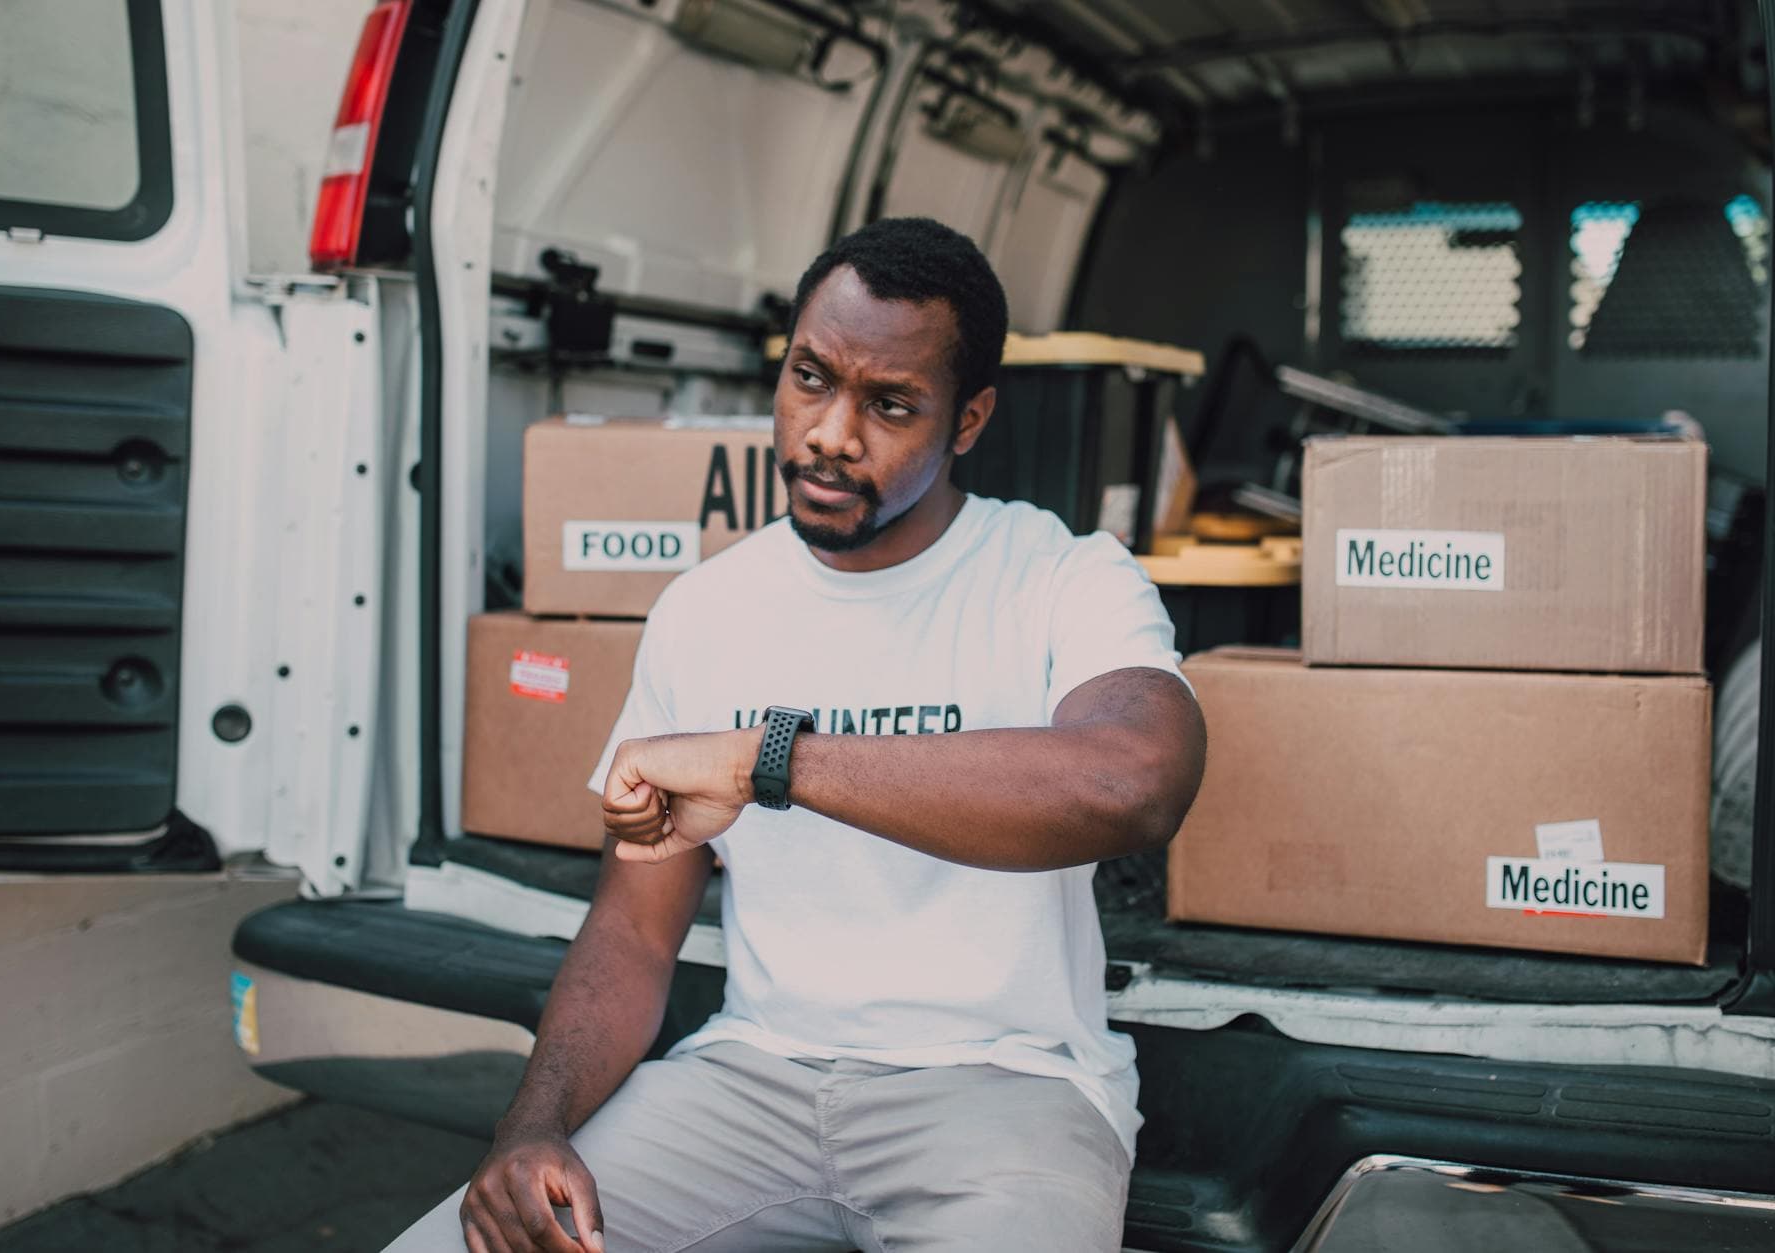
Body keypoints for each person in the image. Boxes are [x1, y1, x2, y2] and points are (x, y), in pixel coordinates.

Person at [387, 216, 1206, 1253]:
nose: (829, 432)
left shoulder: (1060, 575)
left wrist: (766, 760)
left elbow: (1134, 781)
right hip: (749, 1082)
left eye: (890, 404)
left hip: (1005, 1093)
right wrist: (530, 1126)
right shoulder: (706, 608)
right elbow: (633, 930)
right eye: (810, 378)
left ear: (968, 419)